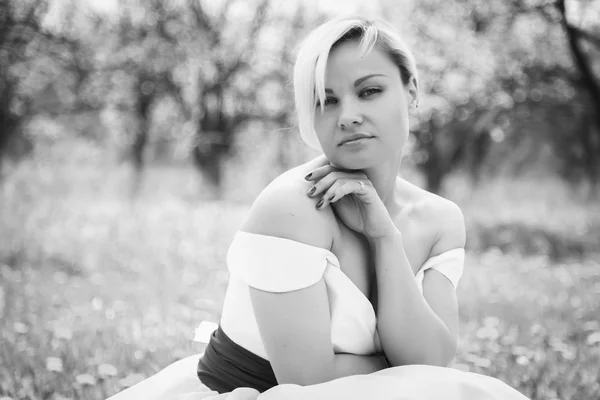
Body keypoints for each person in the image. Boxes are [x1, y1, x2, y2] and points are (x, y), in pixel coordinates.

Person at [107, 16, 530, 400]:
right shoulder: (292, 207)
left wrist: (384, 237)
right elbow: (309, 381)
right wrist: (404, 371)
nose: (347, 116)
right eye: (326, 100)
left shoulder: (439, 219)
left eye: (369, 91)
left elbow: (431, 358)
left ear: (412, 92)